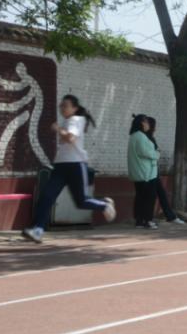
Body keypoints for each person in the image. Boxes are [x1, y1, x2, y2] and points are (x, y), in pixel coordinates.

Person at [22, 95, 116, 243]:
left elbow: (71, 138)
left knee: (81, 202)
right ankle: (38, 230)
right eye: (61, 105)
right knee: (47, 197)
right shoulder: (67, 121)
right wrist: (61, 129)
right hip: (60, 166)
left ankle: (104, 204)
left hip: (76, 165)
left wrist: (58, 129)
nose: (62, 107)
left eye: (65, 105)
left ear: (75, 108)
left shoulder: (76, 120)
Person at [145, 117, 184, 223]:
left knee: (161, 193)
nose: (155, 128)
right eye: (154, 126)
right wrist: (157, 153)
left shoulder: (150, 138)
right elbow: (153, 153)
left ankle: (170, 216)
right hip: (148, 171)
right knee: (151, 195)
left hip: (154, 170)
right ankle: (147, 218)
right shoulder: (145, 138)